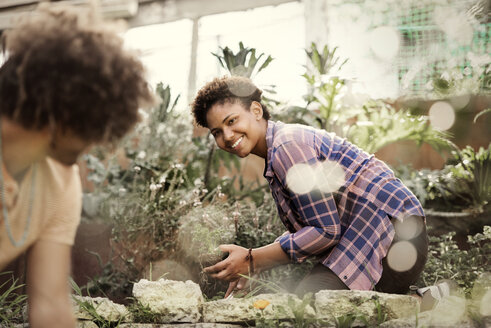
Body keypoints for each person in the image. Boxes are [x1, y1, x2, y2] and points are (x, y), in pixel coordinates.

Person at [192, 76, 429, 299]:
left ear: (256, 110)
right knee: (318, 301)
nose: (227, 135)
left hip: (394, 228)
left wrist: (253, 260)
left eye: (231, 121)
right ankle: (427, 299)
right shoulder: (277, 151)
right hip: (373, 231)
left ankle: (426, 303)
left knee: (312, 305)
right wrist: (254, 262)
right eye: (217, 132)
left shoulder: (287, 145)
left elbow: (326, 231)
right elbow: (315, 225)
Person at [0, 4, 154, 327]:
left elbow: (51, 304)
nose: (97, 142)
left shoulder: (60, 181)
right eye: (97, 124)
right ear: (65, 110)